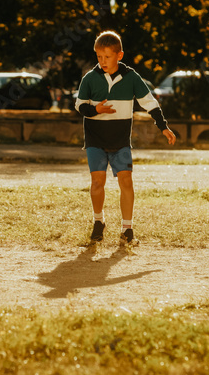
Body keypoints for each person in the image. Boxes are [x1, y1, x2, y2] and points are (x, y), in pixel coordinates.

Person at [75, 30, 177, 245]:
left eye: (107, 56)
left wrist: (163, 127)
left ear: (119, 55)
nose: (102, 61)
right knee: (97, 182)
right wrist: (96, 110)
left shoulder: (131, 77)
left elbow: (150, 102)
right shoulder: (90, 78)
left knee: (126, 181)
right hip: (95, 139)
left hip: (120, 141)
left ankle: (127, 229)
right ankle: (98, 222)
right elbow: (79, 106)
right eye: (99, 57)